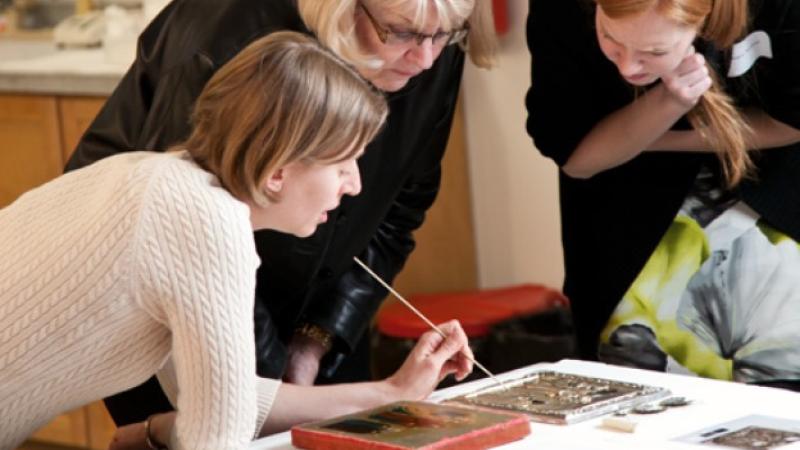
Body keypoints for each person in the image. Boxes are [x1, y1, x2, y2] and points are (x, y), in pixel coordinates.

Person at [0, 32, 475, 450]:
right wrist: (165, 430)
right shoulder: (208, 223)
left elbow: (232, 397)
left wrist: (392, 393)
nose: (354, 185)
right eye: (342, 164)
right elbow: (218, 440)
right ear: (278, 172)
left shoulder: (161, 179)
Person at [526, 0, 800, 388]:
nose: (626, 68)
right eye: (609, 38)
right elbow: (574, 154)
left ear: (704, 24)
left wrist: (652, 138)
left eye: (654, 52)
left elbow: (793, 118)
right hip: (627, 241)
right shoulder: (564, 11)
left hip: (773, 226)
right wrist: (666, 104)